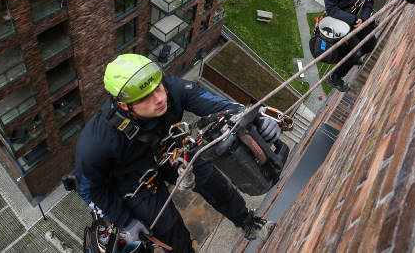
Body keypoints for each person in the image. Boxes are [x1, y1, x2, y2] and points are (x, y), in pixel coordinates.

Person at [74, 54, 281, 252]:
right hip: (133, 178)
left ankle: (248, 222)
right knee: (171, 232)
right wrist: (124, 221)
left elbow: (218, 106)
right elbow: (89, 188)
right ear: (124, 105)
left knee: (211, 180)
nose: (159, 98)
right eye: (146, 97)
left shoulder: (172, 90)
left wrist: (257, 118)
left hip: (168, 149)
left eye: (158, 87)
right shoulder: (96, 143)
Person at [323, 0, 377, 92]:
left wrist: (364, 18)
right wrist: (353, 19)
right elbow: (331, 9)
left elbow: (369, 1)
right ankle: (335, 78)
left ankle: (353, 59)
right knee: (355, 53)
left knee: (371, 43)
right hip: (338, 19)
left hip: (355, 19)